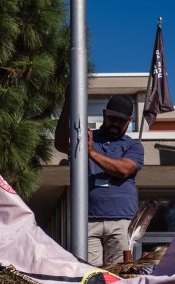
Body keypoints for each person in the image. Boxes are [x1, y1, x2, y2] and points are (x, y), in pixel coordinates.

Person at [54, 93, 144, 266]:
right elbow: (60, 144)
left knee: (115, 277)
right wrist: (68, 102)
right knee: (89, 276)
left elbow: (124, 169)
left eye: (121, 120)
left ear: (130, 120)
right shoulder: (87, 139)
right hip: (87, 219)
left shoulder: (133, 146)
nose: (115, 123)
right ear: (104, 114)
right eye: (112, 118)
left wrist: (91, 153)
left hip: (121, 221)